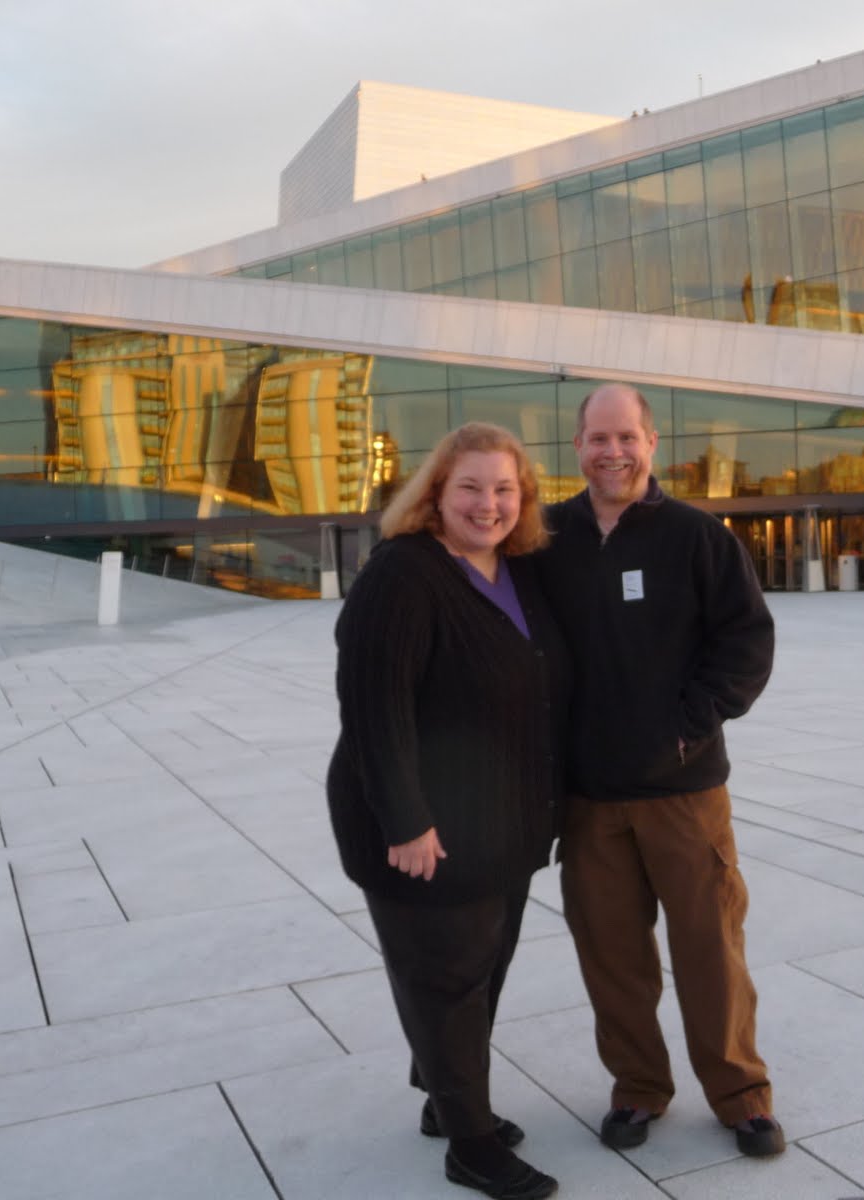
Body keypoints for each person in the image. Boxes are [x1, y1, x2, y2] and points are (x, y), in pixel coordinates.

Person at [535, 384, 786, 1159]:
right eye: (597, 438)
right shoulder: (544, 539)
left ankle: (741, 1093)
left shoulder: (696, 537)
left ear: (651, 443)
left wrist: (689, 724)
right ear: (576, 448)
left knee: (711, 946)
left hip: (684, 791)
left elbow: (746, 640)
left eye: (626, 437)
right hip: (588, 797)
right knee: (612, 956)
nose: (612, 452)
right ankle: (638, 1088)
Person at [326, 422, 570, 1200]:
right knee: (447, 980)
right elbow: (373, 704)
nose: (488, 504)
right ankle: (472, 1144)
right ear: (434, 492)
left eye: (505, 489)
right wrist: (404, 819)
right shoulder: (403, 574)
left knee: (482, 969)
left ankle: (445, 1097)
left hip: (500, 821)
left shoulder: (520, 571)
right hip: (421, 825)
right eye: (469, 486)